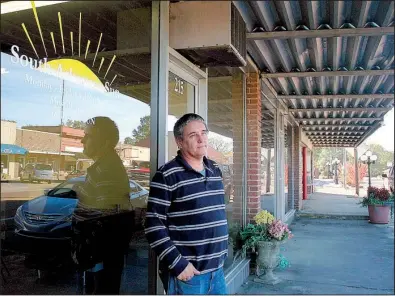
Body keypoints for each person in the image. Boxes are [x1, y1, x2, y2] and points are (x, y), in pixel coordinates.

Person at [144, 113, 228, 295]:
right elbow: (153, 225)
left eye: (204, 133)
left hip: (218, 272)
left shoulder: (214, 170)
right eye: (193, 135)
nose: (201, 139)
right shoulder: (167, 175)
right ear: (179, 142)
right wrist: (178, 264)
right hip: (190, 276)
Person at [71, 116, 133, 295]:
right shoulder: (102, 167)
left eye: (88, 136)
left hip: (101, 259)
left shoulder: (107, 170)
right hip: (98, 257)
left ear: (105, 143)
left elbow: (107, 218)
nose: (82, 140)